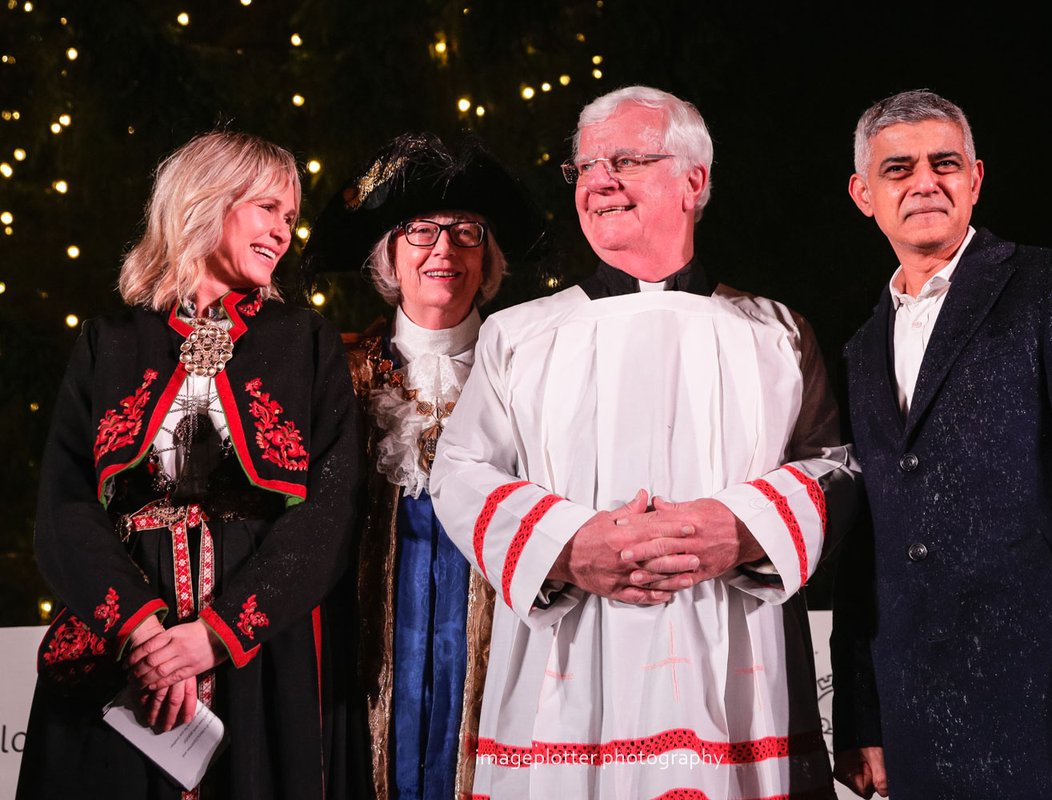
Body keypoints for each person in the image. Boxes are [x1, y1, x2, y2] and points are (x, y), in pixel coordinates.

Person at [430, 86, 858, 798]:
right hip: (566, 672)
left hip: (734, 668)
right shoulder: (520, 335)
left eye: (624, 159)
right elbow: (459, 469)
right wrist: (567, 546)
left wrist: (742, 530)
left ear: (695, 181)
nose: (598, 181)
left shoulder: (776, 332)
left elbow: (835, 469)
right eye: (585, 167)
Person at [831, 89, 1052, 799]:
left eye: (944, 163)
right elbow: (868, 546)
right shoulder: (861, 350)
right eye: (898, 169)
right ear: (864, 194)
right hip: (919, 724)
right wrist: (864, 715)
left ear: (975, 179)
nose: (925, 181)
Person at [17, 131, 364, 799]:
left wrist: (220, 632)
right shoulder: (109, 341)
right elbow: (64, 506)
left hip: (257, 655)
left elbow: (331, 509)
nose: (283, 232)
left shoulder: (305, 340)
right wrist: (141, 632)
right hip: (121, 648)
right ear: (207, 201)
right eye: (268, 208)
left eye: (290, 218)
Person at [300, 132, 544, 800]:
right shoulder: (335, 375)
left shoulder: (533, 372)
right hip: (362, 663)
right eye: (419, 232)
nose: (444, 250)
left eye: (467, 232)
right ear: (388, 257)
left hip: (500, 659)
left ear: (488, 258)